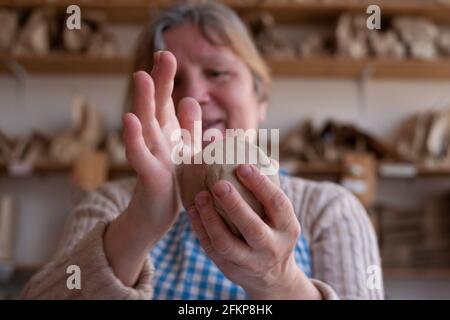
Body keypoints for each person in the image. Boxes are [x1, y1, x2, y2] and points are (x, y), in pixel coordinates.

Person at [22, 1, 383, 300]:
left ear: (261, 99)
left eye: (217, 72)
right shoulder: (109, 206)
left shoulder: (328, 210)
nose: (194, 96)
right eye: (173, 82)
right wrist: (138, 225)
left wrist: (279, 280)